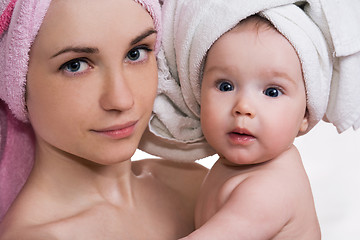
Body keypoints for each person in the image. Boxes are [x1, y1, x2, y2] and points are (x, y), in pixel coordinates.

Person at [0, 0, 207, 238]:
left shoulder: (197, 185)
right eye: (75, 65)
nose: (121, 100)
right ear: (16, 80)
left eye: (136, 53)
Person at [183, 15, 320, 239]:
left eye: (272, 92)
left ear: (306, 114)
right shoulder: (235, 169)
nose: (243, 107)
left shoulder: (270, 190)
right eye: (225, 86)